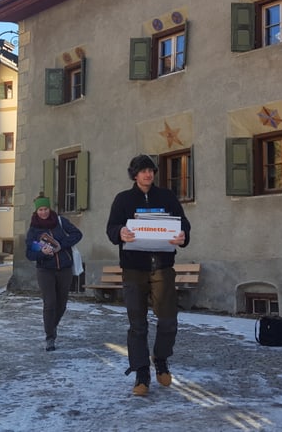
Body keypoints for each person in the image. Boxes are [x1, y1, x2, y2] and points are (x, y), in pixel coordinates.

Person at [106, 154, 190, 396]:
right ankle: (141, 372)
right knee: (137, 324)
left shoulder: (167, 197)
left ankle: (161, 360)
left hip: (163, 266)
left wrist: (182, 236)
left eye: (151, 170)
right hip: (134, 268)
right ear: (134, 174)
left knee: (168, 321)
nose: (148, 174)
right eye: (143, 170)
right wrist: (120, 232)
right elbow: (111, 227)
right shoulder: (123, 199)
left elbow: (183, 224)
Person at [26, 194, 83, 351]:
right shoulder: (33, 229)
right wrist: (42, 252)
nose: (43, 212)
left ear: (49, 209)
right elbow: (29, 253)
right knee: (49, 303)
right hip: (45, 270)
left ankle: (53, 325)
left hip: (64, 268)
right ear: (36, 211)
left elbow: (77, 234)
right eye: (40, 210)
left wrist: (60, 244)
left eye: (45, 209)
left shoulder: (59, 221)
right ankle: (50, 336)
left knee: (62, 304)